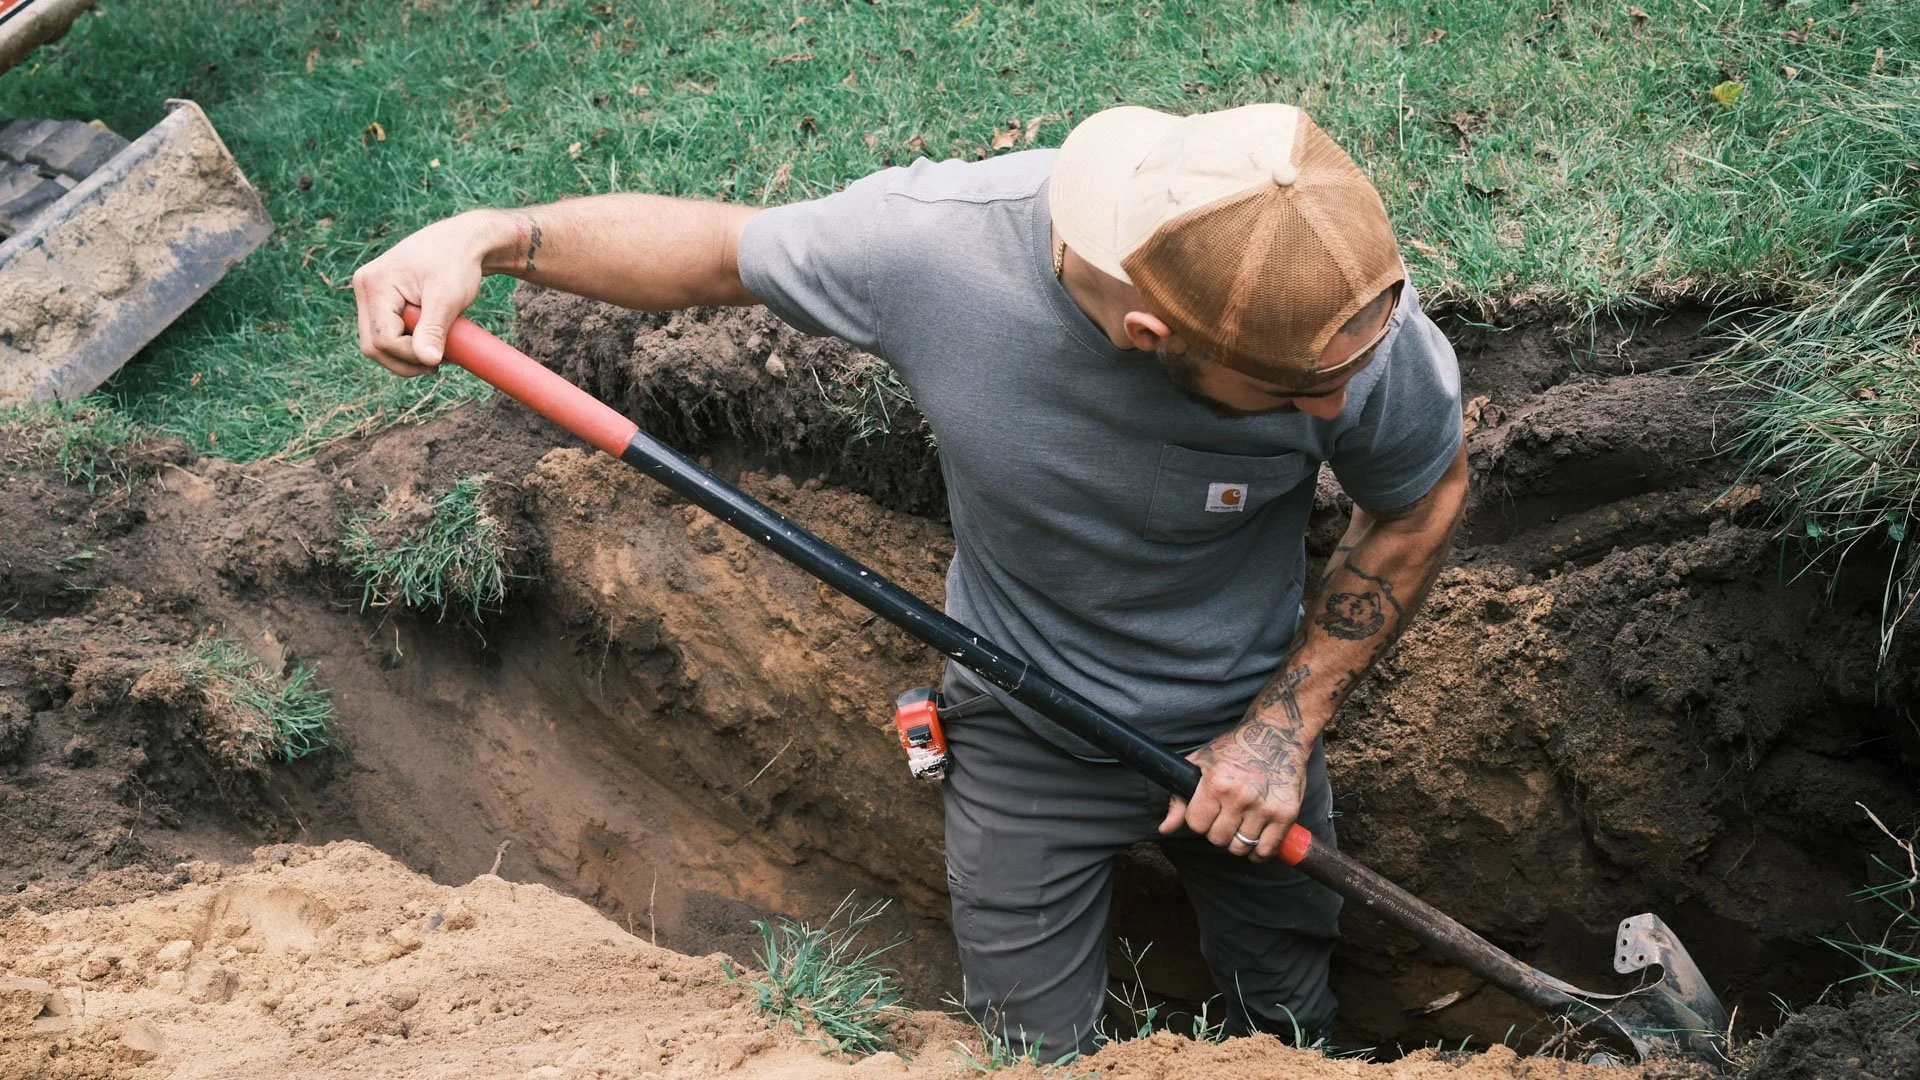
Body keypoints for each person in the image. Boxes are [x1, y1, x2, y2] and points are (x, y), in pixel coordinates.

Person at [353, 102, 1467, 1060]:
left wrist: (1282, 727)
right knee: (1029, 1055)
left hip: (1250, 719)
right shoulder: (937, 252)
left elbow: (1418, 500)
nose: (1337, 412)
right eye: (1290, 398)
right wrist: (485, 238)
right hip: (1025, 721)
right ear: (1146, 332)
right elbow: (718, 250)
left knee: (1294, 1021)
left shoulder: (1346, 335)